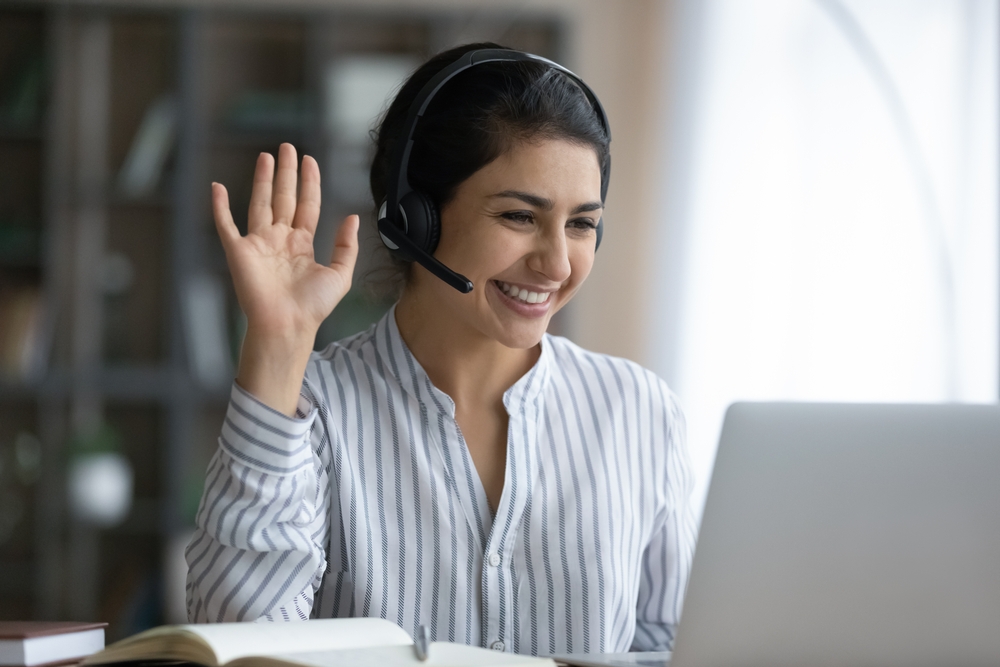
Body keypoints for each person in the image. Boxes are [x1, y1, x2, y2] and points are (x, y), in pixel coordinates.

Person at [185, 42, 697, 656]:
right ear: (416, 218)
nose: (557, 262)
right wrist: (279, 343)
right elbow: (245, 643)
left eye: (582, 224)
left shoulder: (640, 412)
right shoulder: (312, 410)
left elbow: (676, 647)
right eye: (518, 216)